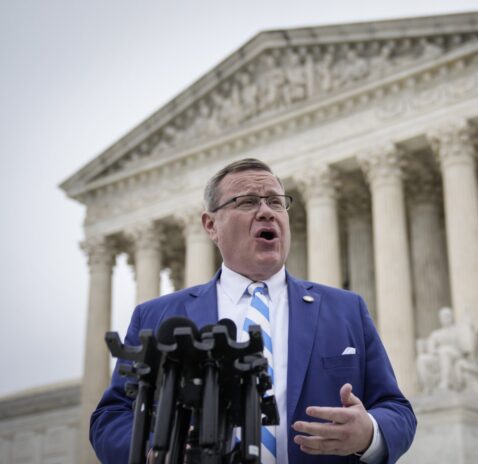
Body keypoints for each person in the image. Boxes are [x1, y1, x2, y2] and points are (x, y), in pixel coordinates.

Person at [90, 158, 416, 464]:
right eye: (247, 202)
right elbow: (111, 418)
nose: (266, 212)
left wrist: (369, 433)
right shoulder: (157, 317)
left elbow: (396, 409)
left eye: (276, 202)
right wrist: (158, 452)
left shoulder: (346, 310)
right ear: (211, 225)